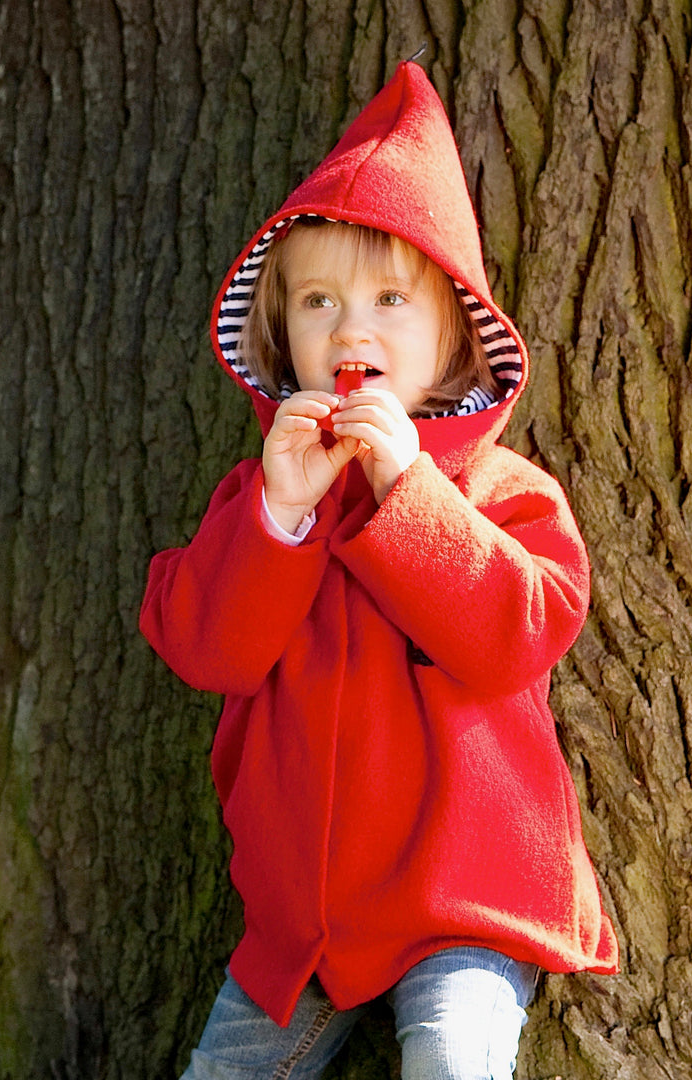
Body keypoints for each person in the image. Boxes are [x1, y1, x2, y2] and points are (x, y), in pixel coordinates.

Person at [139, 60, 618, 1079]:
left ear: (456, 343)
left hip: (465, 899)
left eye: (391, 299)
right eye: (317, 301)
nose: (352, 328)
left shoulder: (500, 487)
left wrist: (410, 491)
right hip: (304, 925)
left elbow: (515, 635)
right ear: (280, 338)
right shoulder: (263, 491)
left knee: (452, 1060)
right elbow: (209, 650)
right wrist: (279, 512)